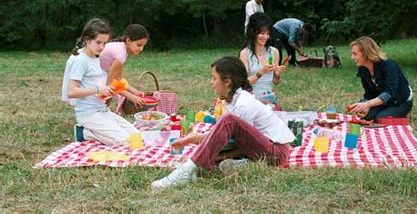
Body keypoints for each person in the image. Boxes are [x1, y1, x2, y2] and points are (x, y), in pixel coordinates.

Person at [151, 56, 295, 190]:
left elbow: (239, 142)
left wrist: (204, 151)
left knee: (227, 123)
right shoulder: (233, 100)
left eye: (214, 78)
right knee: (220, 142)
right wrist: (194, 139)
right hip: (262, 149)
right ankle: (231, 164)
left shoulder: (243, 104)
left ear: (227, 81)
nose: (211, 82)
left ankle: (187, 170)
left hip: (276, 153)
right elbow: (226, 136)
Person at [62, 19, 139, 145]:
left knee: (137, 137)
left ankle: (88, 133)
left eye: (105, 43)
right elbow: (71, 92)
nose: (102, 47)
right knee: (126, 142)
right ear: (87, 40)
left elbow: (115, 80)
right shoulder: (81, 61)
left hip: (102, 110)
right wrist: (98, 89)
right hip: (88, 114)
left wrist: (130, 92)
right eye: (98, 42)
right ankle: (86, 133)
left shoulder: (100, 57)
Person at [348, 36, 413, 122]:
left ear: (366, 53)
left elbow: (389, 93)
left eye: (355, 54)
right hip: (381, 101)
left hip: (400, 101)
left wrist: (367, 104)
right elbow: (369, 94)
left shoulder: (389, 65)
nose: (352, 57)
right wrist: (365, 106)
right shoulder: (363, 69)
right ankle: (386, 111)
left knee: (380, 119)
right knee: (365, 116)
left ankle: (403, 115)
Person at [239, 13, 285, 106]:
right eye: (262, 33)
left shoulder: (274, 52)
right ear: (253, 32)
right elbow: (243, 84)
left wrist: (277, 76)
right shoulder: (245, 54)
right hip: (251, 101)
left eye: (268, 33)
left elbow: (275, 82)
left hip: (269, 100)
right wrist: (260, 73)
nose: (265, 37)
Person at [99, 24, 149, 110]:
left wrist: (135, 92)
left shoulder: (123, 50)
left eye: (143, 46)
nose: (141, 49)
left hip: (97, 70)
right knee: (107, 88)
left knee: (108, 89)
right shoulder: (120, 54)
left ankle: (104, 110)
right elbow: (111, 84)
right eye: (139, 45)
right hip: (86, 70)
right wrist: (131, 97)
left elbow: (118, 78)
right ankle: (102, 110)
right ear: (128, 41)